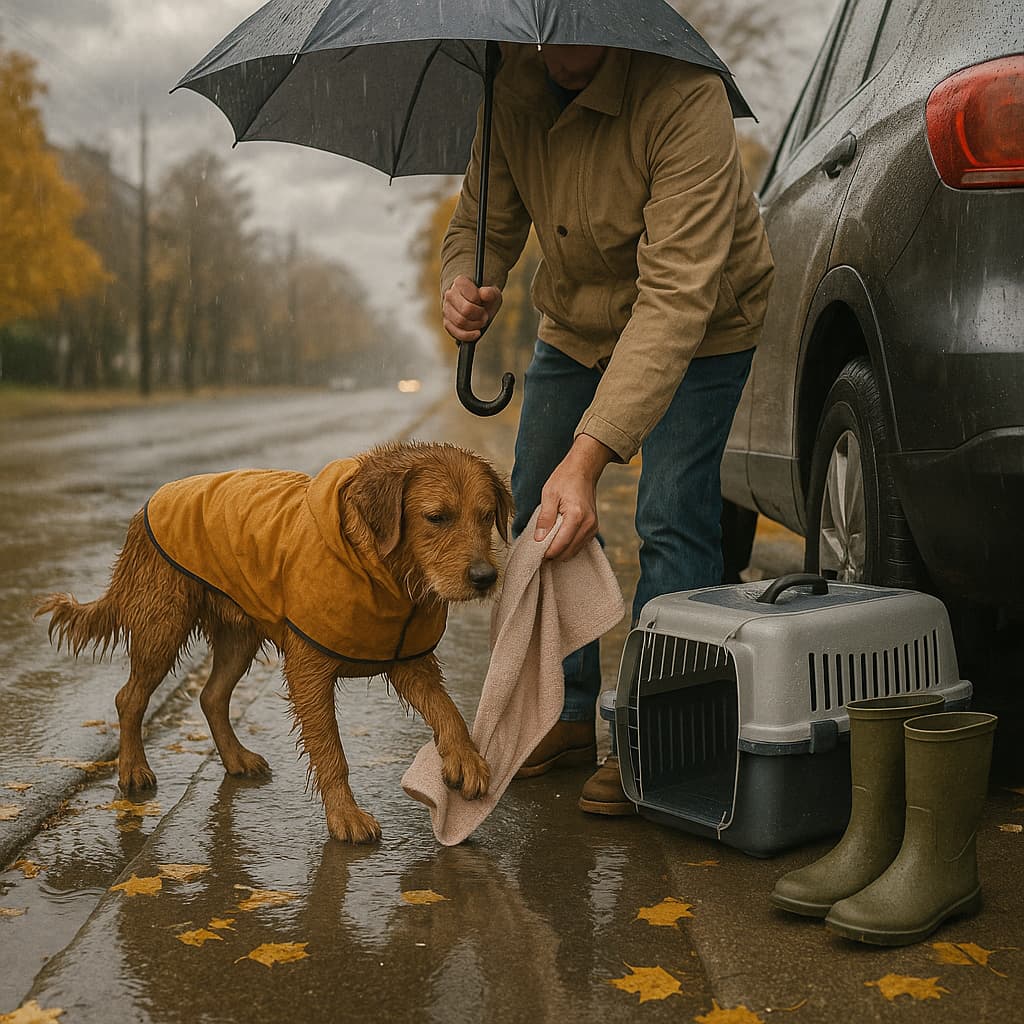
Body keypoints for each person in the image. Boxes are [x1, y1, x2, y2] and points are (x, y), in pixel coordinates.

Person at [440, 42, 774, 814]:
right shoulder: (510, 84)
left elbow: (674, 299)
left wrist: (589, 458)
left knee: (671, 513)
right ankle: (563, 712)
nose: (558, 53)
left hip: (702, 320)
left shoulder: (686, 96)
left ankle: (660, 735)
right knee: (536, 499)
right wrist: (463, 281)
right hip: (577, 320)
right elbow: (478, 223)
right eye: (543, 30)